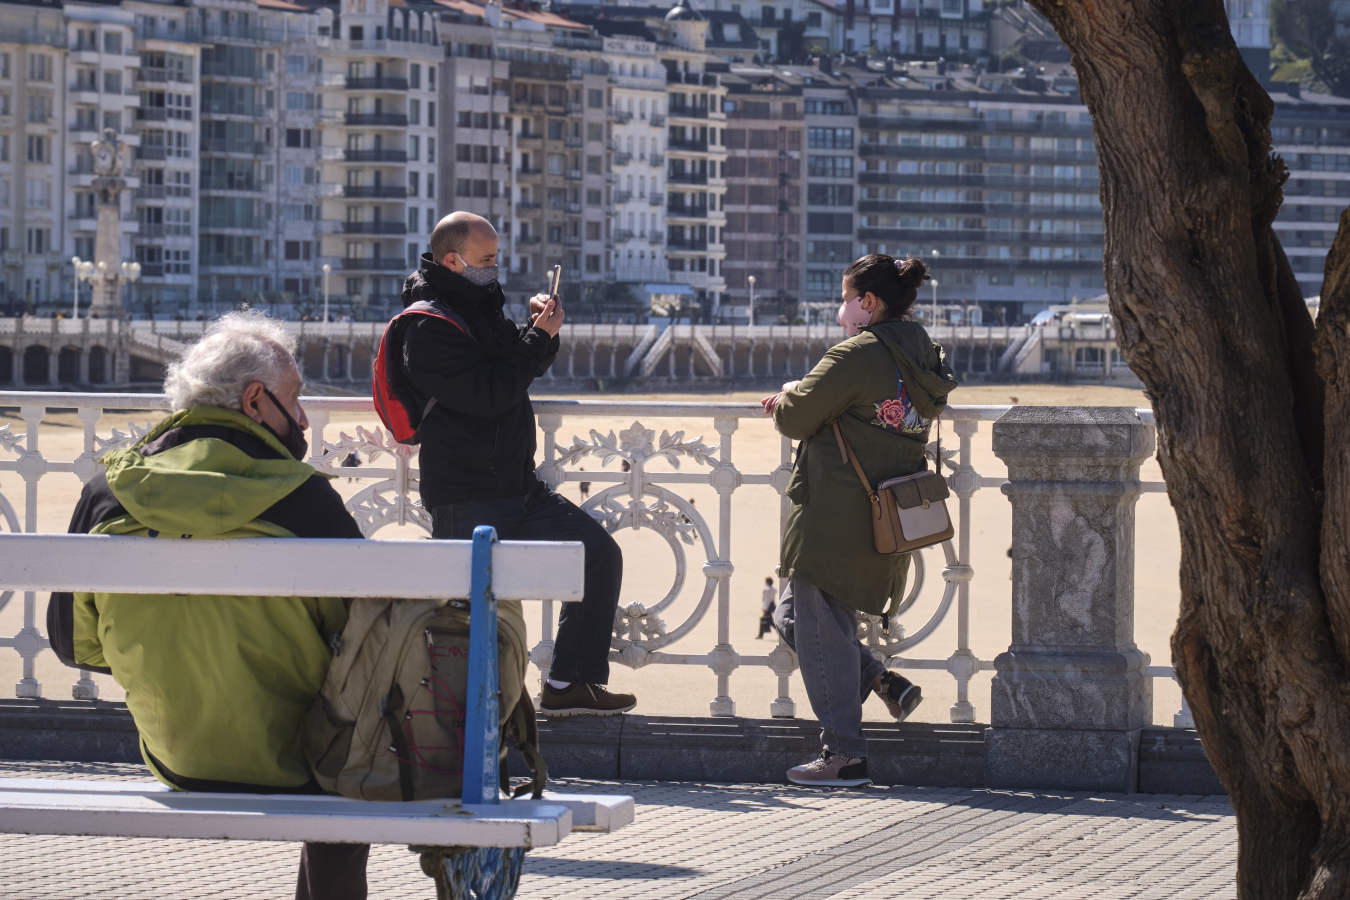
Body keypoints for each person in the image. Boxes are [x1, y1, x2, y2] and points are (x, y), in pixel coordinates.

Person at [46, 312, 371, 899]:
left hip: (176, 757)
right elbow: (364, 640)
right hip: (301, 767)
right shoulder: (305, 501)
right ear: (254, 401)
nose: (301, 419)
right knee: (347, 778)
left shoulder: (106, 495)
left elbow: (76, 646)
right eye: (295, 400)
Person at [398, 211, 635, 717]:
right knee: (468, 614)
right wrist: (534, 341)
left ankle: (571, 681)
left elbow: (513, 366)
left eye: (496, 258)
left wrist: (539, 330)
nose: (495, 268)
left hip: (514, 485)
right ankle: (450, 717)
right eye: (486, 260)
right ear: (453, 260)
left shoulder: (478, 303)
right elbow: (488, 393)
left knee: (598, 555)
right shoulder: (426, 325)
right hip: (465, 493)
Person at [762, 254, 957, 788]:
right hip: (887, 516)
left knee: (816, 623)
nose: (842, 310)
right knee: (791, 618)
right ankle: (878, 678)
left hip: (834, 516)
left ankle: (845, 754)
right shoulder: (924, 355)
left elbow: (796, 415)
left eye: (847, 299)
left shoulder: (858, 355)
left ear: (868, 302)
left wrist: (784, 396)